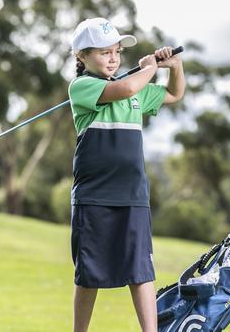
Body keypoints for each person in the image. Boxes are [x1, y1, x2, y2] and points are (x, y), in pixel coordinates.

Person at [68, 17, 185, 332]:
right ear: (82, 57)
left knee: (141, 270)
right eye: (104, 52)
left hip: (133, 195)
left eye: (116, 51)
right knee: (89, 273)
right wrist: (150, 67)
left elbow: (174, 95)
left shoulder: (136, 91)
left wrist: (174, 67)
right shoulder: (82, 87)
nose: (113, 58)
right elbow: (127, 86)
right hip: (94, 195)